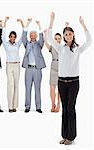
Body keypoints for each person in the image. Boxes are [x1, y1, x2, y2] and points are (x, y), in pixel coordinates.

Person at [48, 12, 92, 145]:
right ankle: (65, 135)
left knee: (71, 108)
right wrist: (52, 20)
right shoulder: (60, 47)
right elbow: (49, 37)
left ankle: (71, 137)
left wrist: (83, 24)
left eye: (70, 34)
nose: (68, 36)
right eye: (66, 34)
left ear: (73, 35)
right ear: (63, 36)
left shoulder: (78, 48)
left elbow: (89, 41)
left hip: (73, 83)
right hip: (62, 82)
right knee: (65, 109)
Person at [22, 18, 46, 113]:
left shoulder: (39, 44)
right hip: (28, 69)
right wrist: (27, 24)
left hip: (37, 69)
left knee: (37, 88)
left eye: (34, 35)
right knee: (27, 88)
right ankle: (27, 107)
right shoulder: (26, 44)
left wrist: (39, 26)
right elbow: (23, 37)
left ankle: (38, 107)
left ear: (36, 36)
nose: (32, 36)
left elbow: (42, 38)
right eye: (31, 35)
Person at [2, 17, 24, 112]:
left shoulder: (17, 44)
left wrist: (22, 24)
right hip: (9, 65)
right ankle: (10, 106)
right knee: (10, 85)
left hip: (17, 65)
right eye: (11, 36)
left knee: (16, 85)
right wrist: (5, 23)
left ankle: (15, 106)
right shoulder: (6, 44)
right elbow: (2, 36)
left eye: (14, 36)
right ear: (9, 37)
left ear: (15, 37)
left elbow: (23, 36)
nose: (12, 38)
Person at [44, 28, 62, 112]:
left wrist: (67, 26)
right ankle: (52, 104)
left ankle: (58, 105)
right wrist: (45, 34)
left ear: (61, 39)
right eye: (56, 38)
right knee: (52, 87)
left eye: (59, 38)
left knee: (60, 89)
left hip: (62, 68)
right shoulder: (52, 47)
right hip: (53, 67)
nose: (57, 40)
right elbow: (46, 43)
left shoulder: (63, 47)